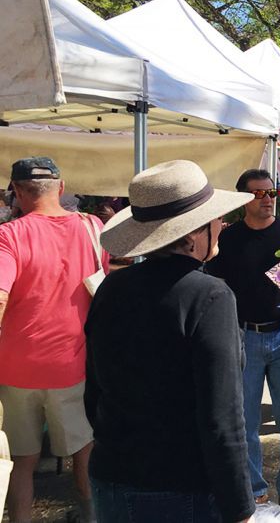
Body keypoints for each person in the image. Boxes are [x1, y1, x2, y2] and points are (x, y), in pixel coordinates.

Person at [85, 159, 254, 523]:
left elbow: (94, 389)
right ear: (192, 234)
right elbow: (222, 416)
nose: (222, 225)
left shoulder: (112, 287)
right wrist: (241, 508)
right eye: (215, 218)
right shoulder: (210, 296)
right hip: (178, 485)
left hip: (111, 473)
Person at [208, 169, 280, 522]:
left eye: (272, 192)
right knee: (245, 423)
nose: (268, 198)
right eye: (259, 194)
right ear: (244, 198)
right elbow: (214, 292)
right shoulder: (227, 241)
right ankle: (256, 492)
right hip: (243, 337)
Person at [0, 157, 108, 523]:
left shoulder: (9, 235)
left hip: (15, 368)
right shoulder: (92, 227)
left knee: (22, 463)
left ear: (15, 191)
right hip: (71, 365)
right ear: (61, 188)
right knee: (83, 452)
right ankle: (93, 517)